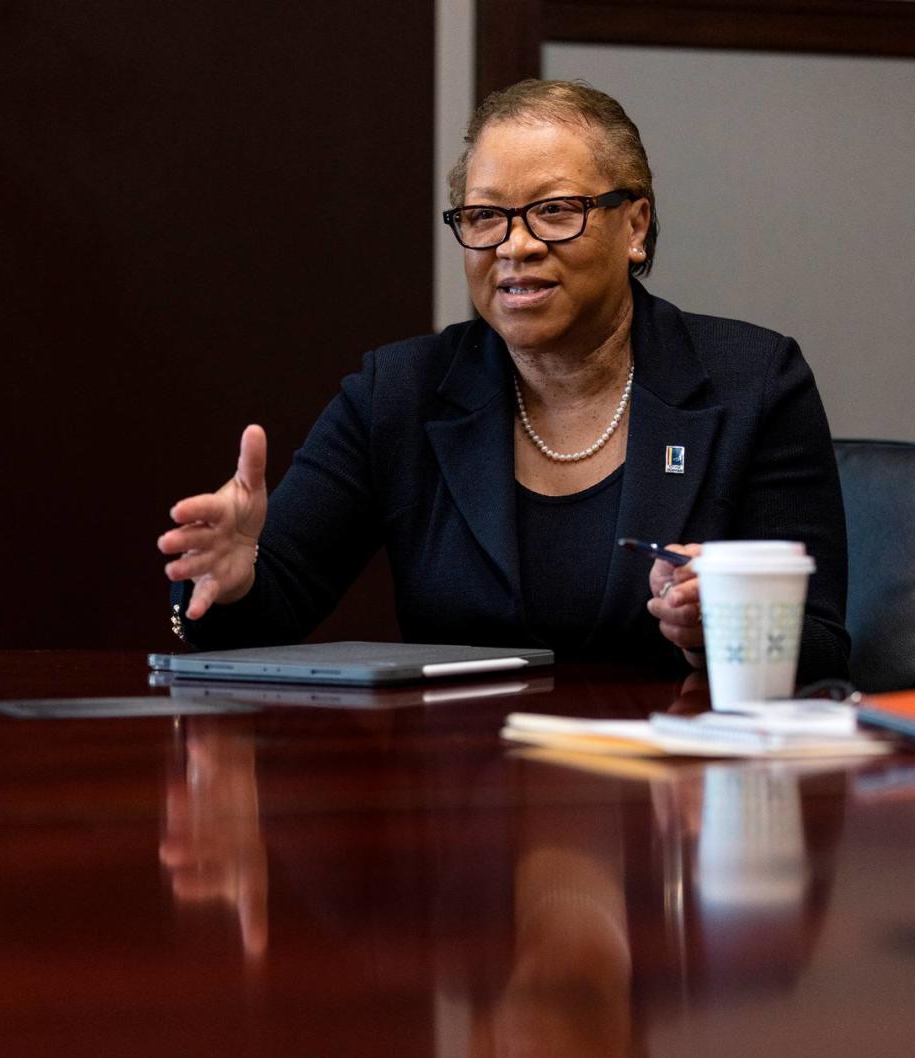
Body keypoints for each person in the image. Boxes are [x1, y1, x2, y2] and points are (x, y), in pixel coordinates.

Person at [158, 79, 850, 680]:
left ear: (635, 225)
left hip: (676, 802)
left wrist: (725, 632)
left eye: (554, 211)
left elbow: (823, 647)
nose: (515, 246)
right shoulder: (397, 394)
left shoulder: (754, 384)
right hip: (463, 801)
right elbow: (261, 618)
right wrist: (234, 580)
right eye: (486, 217)